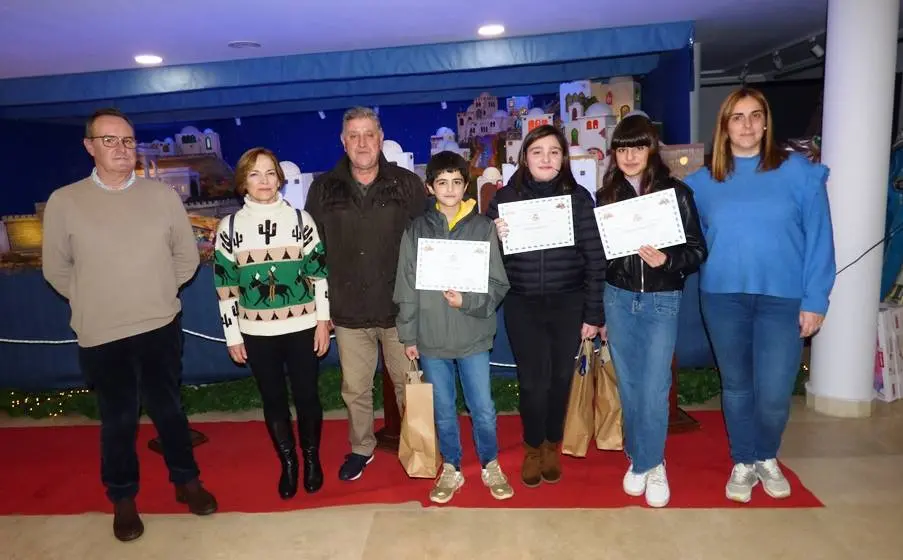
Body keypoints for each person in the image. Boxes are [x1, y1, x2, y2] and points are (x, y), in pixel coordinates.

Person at [41, 108, 216, 542]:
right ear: (90, 146)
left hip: (160, 324)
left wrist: (156, 291)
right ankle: (122, 498)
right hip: (101, 332)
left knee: (169, 410)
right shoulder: (65, 201)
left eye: (126, 140)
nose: (121, 149)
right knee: (117, 420)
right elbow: (56, 269)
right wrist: (93, 298)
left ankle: (186, 482)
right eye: (109, 140)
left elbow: (186, 256)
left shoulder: (161, 196)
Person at [685, 87, 835, 503]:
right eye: (737, 117)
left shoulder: (799, 173)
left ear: (766, 122)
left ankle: (766, 454)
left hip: (782, 299)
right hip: (722, 297)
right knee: (736, 386)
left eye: (754, 115)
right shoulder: (702, 182)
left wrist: (815, 299)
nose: (747, 125)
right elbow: (684, 239)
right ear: (725, 126)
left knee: (772, 392)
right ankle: (744, 460)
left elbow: (821, 239)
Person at [305, 106, 427, 481]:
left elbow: (427, 241)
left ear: (380, 138)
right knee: (354, 389)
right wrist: (320, 315)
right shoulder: (323, 188)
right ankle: (361, 448)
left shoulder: (406, 185)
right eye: (353, 136)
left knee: (411, 386)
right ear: (343, 142)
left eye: (368, 134)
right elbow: (313, 253)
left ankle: (419, 449)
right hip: (348, 312)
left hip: (398, 310)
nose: (361, 142)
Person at [596, 115, 707, 508]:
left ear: (651, 148)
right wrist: (600, 310)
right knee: (628, 384)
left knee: (656, 385)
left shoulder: (676, 194)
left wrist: (667, 260)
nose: (629, 156)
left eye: (637, 146)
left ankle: (652, 463)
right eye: (622, 148)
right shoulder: (606, 196)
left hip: (662, 299)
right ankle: (639, 458)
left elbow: (697, 250)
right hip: (619, 298)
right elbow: (598, 257)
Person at [488, 124, 606, 487]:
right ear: (524, 157)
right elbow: (489, 258)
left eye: (554, 152)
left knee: (559, 379)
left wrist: (593, 313)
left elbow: (595, 258)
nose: (546, 159)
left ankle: (552, 443)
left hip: (568, 302)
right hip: (522, 303)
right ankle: (532, 446)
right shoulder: (503, 199)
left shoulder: (579, 198)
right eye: (538, 152)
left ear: (563, 159)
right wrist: (494, 235)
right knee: (532, 382)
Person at [393, 151, 513, 504]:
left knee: (483, 408)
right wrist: (409, 335)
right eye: (442, 182)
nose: (449, 189)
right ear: (430, 187)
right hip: (430, 339)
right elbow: (406, 284)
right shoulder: (416, 229)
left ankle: (490, 462)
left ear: (466, 186)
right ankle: (452, 467)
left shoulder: (482, 228)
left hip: (472, 334)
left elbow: (497, 283)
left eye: (457, 182)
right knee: (443, 409)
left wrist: (469, 301)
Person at [214, 147, 331, 499]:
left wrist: (323, 322)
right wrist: (232, 335)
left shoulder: (301, 221)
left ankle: (311, 458)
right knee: (274, 400)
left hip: (303, 328)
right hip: (256, 333)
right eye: (254, 174)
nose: (263, 181)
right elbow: (225, 287)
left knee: (308, 397)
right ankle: (288, 463)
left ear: (279, 177)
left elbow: (320, 276)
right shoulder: (229, 227)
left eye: (269, 173)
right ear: (243, 182)